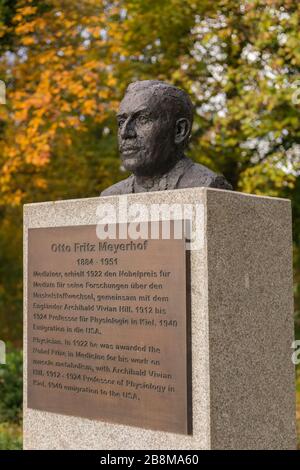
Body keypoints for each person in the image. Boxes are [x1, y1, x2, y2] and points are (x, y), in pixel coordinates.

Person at [101, 80, 232, 196]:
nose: (125, 133)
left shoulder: (206, 186)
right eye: (121, 122)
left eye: (142, 119)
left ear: (180, 130)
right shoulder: (111, 196)